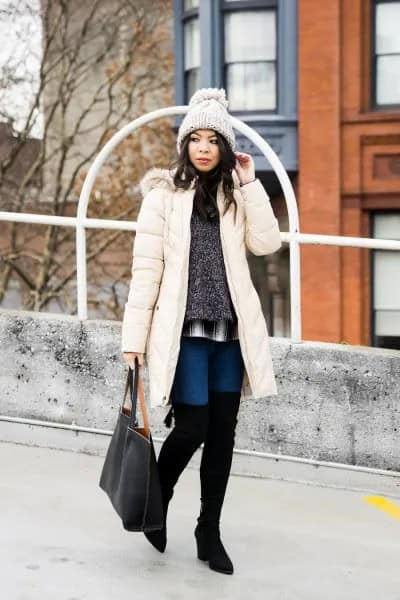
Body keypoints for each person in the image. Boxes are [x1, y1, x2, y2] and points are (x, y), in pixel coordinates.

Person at [121, 88, 282, 575]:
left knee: (224, 433)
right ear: (185, 144)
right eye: (197, 138)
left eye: (214, 139)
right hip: (184, 332)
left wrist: (251, 184)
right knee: (192, 425)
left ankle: (208, 529)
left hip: (230, 333)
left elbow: (267, 243)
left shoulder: (236, 196)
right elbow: (145, 271)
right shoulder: (162, 197)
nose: (205, 147)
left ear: (226, 148)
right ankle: (160, 498)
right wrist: (132, 341)